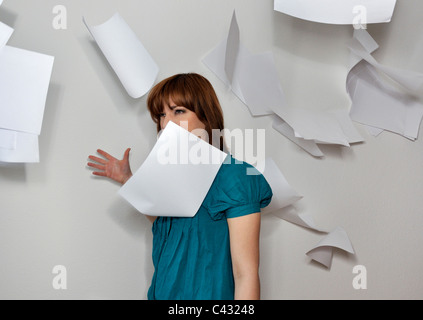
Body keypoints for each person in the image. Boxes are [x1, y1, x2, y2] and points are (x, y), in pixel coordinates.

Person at [87, 73, 273, 300]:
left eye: (178, 111)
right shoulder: (168, 176)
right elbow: (171, 227)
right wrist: (129, 180)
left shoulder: (236, 176)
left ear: (206, 116)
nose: (166, 124)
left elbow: (246, 274)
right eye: (161, 115)